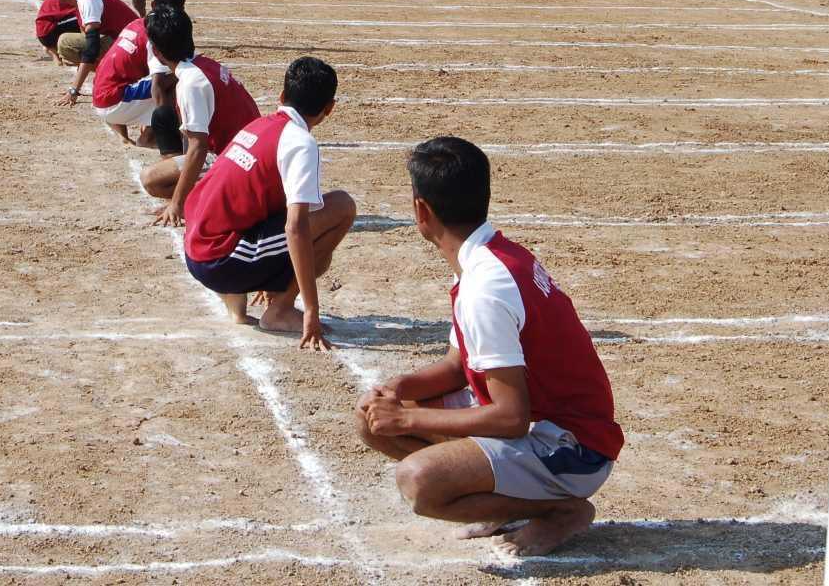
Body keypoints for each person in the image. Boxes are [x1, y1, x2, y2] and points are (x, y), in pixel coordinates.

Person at [354, 136, 622, 559]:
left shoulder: (484, 288)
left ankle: (562, 508)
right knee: (370, 418)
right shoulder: (492, 257)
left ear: (421, 211)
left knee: (420, 481)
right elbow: (460, 365)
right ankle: (510, 498)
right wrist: (401, 387)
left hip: (573, 449)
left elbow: (511, 417)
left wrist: (408, 416)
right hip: (545, 424)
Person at [180, 55, 355, 344]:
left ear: (282, 96)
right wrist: (311, 309)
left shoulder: (260, 125)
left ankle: (241, 301)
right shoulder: (300, 142)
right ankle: (281, 310)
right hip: (219, 259)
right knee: (341, 207)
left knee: (294, 214)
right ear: (329, 109)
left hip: (198, 246)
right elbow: (296, 228)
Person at [139, 5, 260, 220]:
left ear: (157, 52)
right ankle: (209, 195)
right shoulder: (203, 64)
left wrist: (177, 203)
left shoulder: (190, 83)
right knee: (165, 119)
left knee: (152, 179)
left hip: (239, 159)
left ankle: (206, 202)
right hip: (250, 149)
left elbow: (198, 146)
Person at [79, 0, 187, 146]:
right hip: (113, 101)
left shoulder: (136, 23)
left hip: (103, 95)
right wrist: (166, 129)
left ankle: (145, 128)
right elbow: (157, 85)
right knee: (181, 76)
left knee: (170, 75)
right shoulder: (157, 33)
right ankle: (151, 137)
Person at [47, 0, 139, 81]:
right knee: (75, 44)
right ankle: (112, 73)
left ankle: (118, 75)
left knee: (65, 43)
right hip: (132, 41)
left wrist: (74, 89)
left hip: (134, 46)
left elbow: (92, 47)